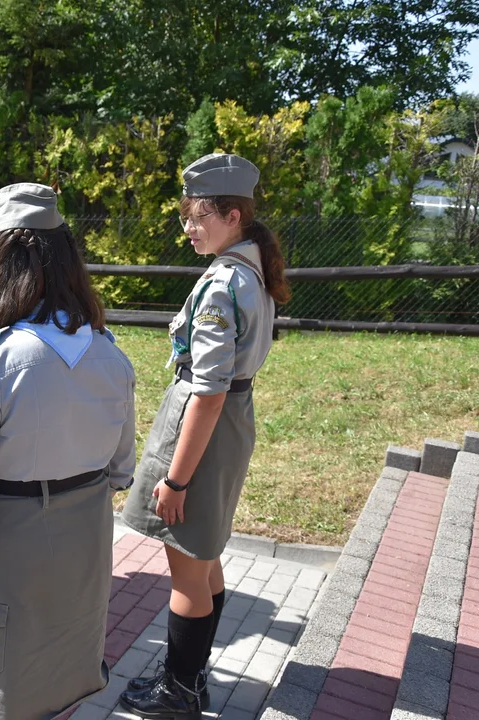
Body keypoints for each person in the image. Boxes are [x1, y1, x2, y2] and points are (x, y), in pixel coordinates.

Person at [0, 182, 136, 720]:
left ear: (4, 266)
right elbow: (120, 468)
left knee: (1, 689)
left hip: (6, 555)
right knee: (61, 677)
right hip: (84, 547)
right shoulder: (111, 354)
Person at [118, 154, 290, 719]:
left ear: (233, 216)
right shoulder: (250, 269)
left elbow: (208, 393)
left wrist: (175, 478)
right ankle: (189, 678)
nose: (188, 228)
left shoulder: (223, 284)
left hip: (206, 427)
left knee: (187, 565)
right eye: (188, 217)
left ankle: (180, 693)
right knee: (206, 555)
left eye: (199, 217)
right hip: (229, 420)